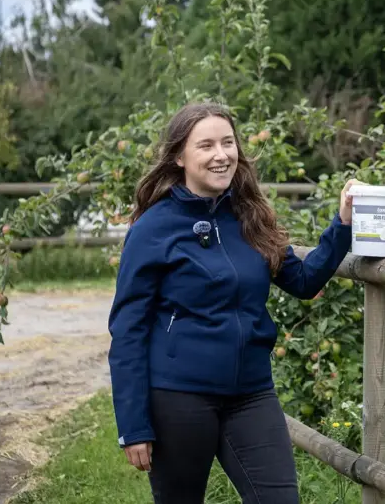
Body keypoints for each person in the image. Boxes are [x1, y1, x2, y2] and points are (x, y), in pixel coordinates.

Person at [107, 101, 362, 504]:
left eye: (228, 143)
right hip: (179, 396)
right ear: (179, 156)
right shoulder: (153, 229)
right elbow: (127, 330)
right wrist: (133, 425)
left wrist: (343, 224)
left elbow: (303, 280)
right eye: (205, 145)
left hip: (251, 392)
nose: (221, 154)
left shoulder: (251, 216)